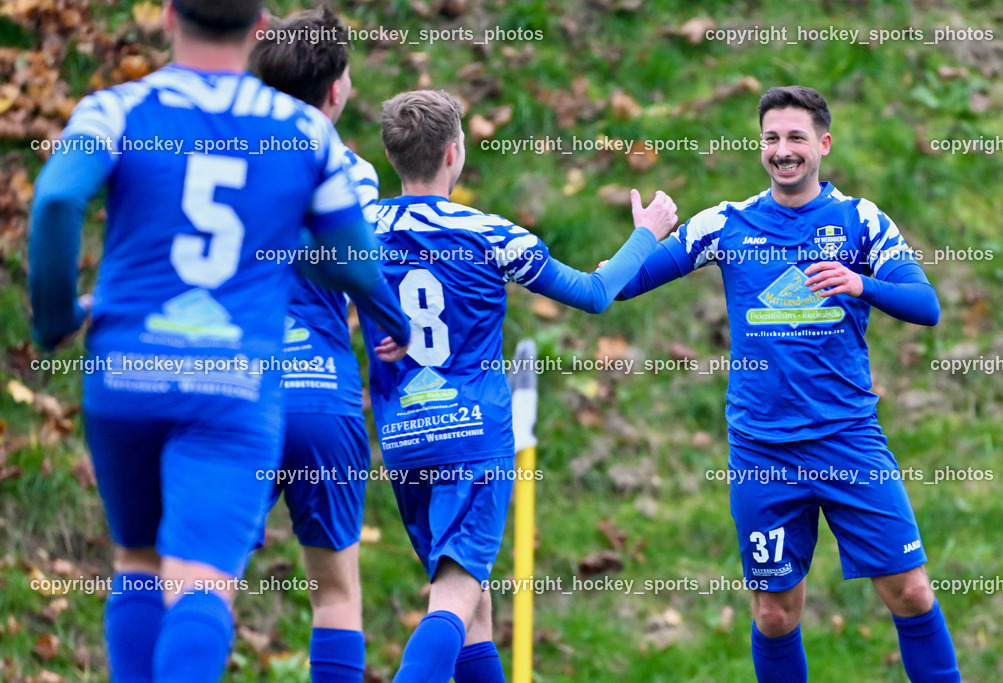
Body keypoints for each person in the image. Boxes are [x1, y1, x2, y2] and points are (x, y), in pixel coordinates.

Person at [27, 1, 395, 680]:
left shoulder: (117, 108)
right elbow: (358, 263)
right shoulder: (303, 134)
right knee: (203, 581)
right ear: (260, 26)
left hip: (128, 367)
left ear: (167, 17)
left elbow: (53, 201)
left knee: (139, 560)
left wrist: (54, 315)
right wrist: (392, 323)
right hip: (232, 385)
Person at [616, 85, 959, 682]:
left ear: (823, 144)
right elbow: (620, 285)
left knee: (910, 592)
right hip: (763, 450)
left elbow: (926, 305)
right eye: (772, 138)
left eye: (796, 137)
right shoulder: (726, 223)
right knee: (775, 613)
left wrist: (861, 285)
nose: (783, 151)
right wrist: (643, 235)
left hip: (848, 439)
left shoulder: (860, 221)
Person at [358, 88, 678, 683]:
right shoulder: (491, 234)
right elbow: (593, 292)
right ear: (454, 153)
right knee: (455, 594)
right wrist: (646, 234)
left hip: (403, 436)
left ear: (390, 155)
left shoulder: (360, 231)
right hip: (472, 437)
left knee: (472, 605)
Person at [248, 8, 410, 682]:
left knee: (198, 577)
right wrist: (393, 323)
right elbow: (353, 262)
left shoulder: (222, 155)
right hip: (321, 391)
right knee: (336, 592)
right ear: (337, 90)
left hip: (237, 384)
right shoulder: (353, 171)